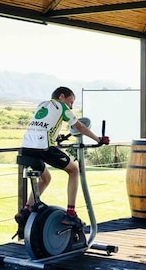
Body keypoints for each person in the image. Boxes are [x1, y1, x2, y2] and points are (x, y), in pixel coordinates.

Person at [14, 86, 109, 239]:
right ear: (62, 96)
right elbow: (80, 126)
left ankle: (26, 210)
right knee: (74, 170)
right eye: (71, 102)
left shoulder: (42, 105)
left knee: (46, 178)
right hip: (43, 147)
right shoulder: (62, 107)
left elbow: (44, 126)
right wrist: (98, 139)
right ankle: (70, 213)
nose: (71, 106)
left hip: (26, 148)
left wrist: (56, 138)